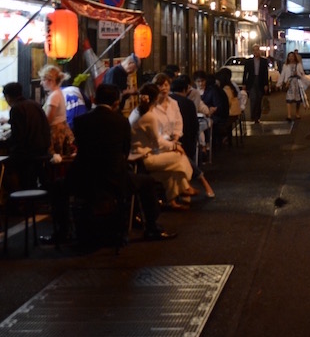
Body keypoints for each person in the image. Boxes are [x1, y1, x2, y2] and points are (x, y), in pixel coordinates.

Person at [45, 83, 175, 244]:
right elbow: (125, 152)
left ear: (94, 99)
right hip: (114, 180)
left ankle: (62, 232)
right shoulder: (121, 122)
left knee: (58, 187)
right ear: (115, 102)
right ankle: (151, 228)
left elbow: (80, 147)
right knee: (147, 182)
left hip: (83, 180)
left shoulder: (80, 121)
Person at [131, 77, 195, 208]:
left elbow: (178, 123)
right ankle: (185, 187)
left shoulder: (137, 112)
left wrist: (174, 142)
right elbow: (158, 142)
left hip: (138, 154)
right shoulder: (149, 116)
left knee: (172, 170)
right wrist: (174, 146)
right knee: (180, 156)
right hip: (144, 157)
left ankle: (173, 200)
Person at [170, 75, 215, 198]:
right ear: (185, 90)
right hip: (183, 141)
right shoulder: (188, 103)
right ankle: (195, 184)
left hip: (171, 139)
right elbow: (194, 124)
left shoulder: (167, 102)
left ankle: (182, 189)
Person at [2, 81, 51, 191]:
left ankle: (13, 198)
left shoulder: (16, 108)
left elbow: (18, 136)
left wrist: (6, 142)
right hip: (43, 149)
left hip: (27, 153)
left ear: (8, 97)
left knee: (4, 166)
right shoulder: (35, 105)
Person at [39, 64, 75, 156]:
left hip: (55, 132)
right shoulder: (58, 93)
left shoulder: (54, 96)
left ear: (50, 80)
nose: (41, 83)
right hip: (62, 129)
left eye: (43, 79)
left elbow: (48, 119)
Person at [242, 48, 271, 123]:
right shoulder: (249, 61)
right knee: (253, 98)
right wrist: (244, 83)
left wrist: (266, 84)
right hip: (252, 81)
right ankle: (253, 115)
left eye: (257, 50)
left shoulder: (264, 61)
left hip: (260, 81)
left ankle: (257, 117)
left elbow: (265, 73)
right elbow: (245, 73)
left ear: (259, 51)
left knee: (259, 99)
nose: (256, 52)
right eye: (254, 50)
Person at [279, 51, 309, 122]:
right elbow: (283, 74)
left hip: (297, 82)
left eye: (292, 56)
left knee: (298, 99)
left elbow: (302, 73)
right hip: (289, 83)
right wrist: (280, 83)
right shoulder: (285, 65)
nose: (291, 58)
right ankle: (289, 115)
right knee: (289, 99)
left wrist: (298, 73)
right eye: (289, 56)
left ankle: (297, 113)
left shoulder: (298, 65)